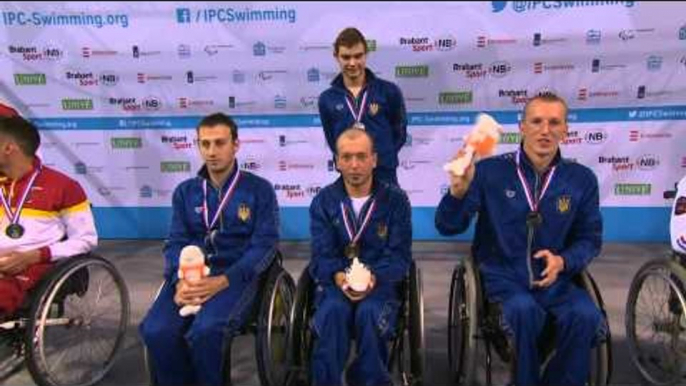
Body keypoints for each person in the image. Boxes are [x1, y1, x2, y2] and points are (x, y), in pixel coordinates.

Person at [435, 93, 606, 386]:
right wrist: (457, 193)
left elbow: (590, 238)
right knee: (523, 312)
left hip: (558, 282)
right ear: (522, 127)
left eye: (554, 122)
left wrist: (564, 261)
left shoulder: (581, 179)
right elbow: (447, 226)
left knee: (586, 315)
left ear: (565, 129)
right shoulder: (490, 172)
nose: (545, 130)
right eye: (537, 121)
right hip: (503, 278)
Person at [139, 112, 279, 386]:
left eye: (220, 143)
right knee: (156, 330)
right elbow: (176, 241)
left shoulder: (258, 190)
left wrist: (224, 280)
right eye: (205, 144)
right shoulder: (186, 192)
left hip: (236, 274)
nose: (212, 152)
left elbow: (265, 245)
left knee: (206, 330)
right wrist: (179, 280)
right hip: (190, 273)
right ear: (198, 146)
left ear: (235, 145)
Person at [309, 127, 412, 386]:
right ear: (336, 161)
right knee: (333, 311)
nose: (354, 165)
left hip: (381, 286)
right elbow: (321, 255)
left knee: (369, 313)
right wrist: (340, 276)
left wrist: (373, 278)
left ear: (374, 159)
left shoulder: (396, 201)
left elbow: (399, 257)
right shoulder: (323, 201)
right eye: (346, 157)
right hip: (336, 284)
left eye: (361, 156)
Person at [0, 116, 97, 316]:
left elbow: (86, 240)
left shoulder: (64, 186)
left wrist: (36, 255)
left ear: (8, 148)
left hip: (34, 266)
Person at [318, 27, 408, 186]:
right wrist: (351, 161)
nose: (352, 63)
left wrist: (382, 155)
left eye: (358, 56)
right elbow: (332, 140)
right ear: (336, 57)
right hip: (349, 176)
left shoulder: (389, 91)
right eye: (346, 57)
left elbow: (399, 133)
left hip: (385, 174)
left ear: (366, 54)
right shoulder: (327, 99)